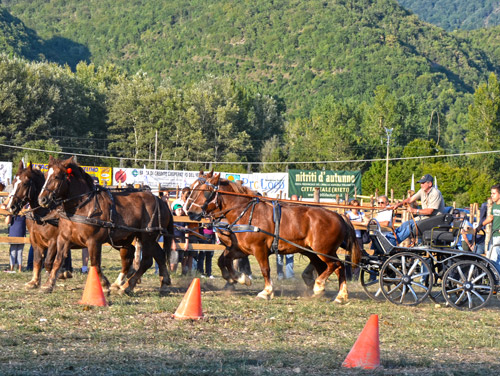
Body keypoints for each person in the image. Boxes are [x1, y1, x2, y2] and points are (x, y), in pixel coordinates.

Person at [389, 174, 445, 244]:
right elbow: (410, 199)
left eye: (423, 183)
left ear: (430, 184)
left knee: (410, 226)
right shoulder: (422, 191)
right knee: (405, 224)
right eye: (421, 183)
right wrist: (398, 204)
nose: (421, 185)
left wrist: (414, 210)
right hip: (425, 218)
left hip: (434, 220)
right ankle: (389, 238)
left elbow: (430, 211)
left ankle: (394, 242)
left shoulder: (435, 193)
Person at [476, 184, 500, 273]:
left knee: (493, 259)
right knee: (490, 257)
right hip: (494, 235)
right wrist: (480, 226)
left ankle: (496, 278)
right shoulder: (495, 206)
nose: (491, 195)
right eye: (491, 193)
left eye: (494, 193)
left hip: (499, 236)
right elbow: (490, 218)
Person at [345, 199, 365, 280]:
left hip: (358, 237)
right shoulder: (348, 214)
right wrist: (360, 223)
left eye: (357, 206)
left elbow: (367, 221)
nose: (355, 208)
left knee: (358, 256)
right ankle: (348, 276)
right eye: (353, 206)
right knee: (348, 256)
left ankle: (356, 277)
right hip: (350, 237)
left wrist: (356, 222)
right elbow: (347, 221)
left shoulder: (361, 214)